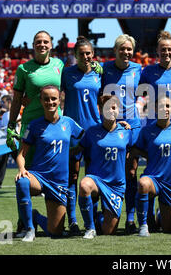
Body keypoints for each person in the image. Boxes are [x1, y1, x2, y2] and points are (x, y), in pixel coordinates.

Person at [8, 30, 64, 236]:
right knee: (25, 176)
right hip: (31, 127)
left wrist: (93, 67)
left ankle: (70, 220)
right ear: (33, 45)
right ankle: (25, 223)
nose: (42, 44)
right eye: (38, 42)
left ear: (51, 45)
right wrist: (11, 125)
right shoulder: (24, 69)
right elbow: (16, 99)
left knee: (61, 172)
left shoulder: (60, 65)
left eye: (45, 41)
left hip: (55, 129)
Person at [15, 85, 84, 242]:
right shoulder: (34, 125)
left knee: (55, 232)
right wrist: (21, 169)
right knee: (22, 182)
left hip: (59, 182)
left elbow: (88, 138)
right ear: (41, 101)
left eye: (54, 99)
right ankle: (29, 229)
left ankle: (35, 216)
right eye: (46, 99)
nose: (50, 102)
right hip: (39, 177)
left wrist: (117, 126)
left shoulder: (69, 123)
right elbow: (21, 154)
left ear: (59, 100)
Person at [138, 30, 171, 229]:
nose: (166, 53)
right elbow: (136, 94)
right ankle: (147, 216)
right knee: (152, 170)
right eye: (163, 50)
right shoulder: (148, 72)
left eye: (170, 50)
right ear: (157, 52)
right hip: (154, 129)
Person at [61, 35, 102, 234]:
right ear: (75, 55)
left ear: (93, 55)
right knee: (73, 177)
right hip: (73, 135)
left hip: (94, 133)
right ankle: (73, 221)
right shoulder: (66, 74)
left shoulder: (99, 74)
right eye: (81, 54)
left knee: (93, 177)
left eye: (88, 53)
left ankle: (92, 219)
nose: (85, 57)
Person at [101, 34, 142, 234]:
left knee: (131, 172)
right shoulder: (104, 69)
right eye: (122, 49)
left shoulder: (138, 69)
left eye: (129, 49)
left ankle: (131, 217)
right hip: (111, 125)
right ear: (115, 50)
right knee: (109, 171)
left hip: (132, 126)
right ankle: (104, 214)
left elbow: (146, 95)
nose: (126, 52)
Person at [76, 95, 132, 238]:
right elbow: (78, 150)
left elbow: (131, 153)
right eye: (107, 108)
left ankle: (99, 216)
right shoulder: (91, 132)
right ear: (100, 110)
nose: (111, 111)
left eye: (114, 108)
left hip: (116, 185)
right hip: (96, 180)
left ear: (118, 110)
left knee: (108, 232)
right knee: (84, 185)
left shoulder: (126, 132)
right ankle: (90, 228)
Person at [131, 95, 171, 236]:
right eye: (161, 106)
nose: (165, 109)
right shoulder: (147, 131)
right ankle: (143, 225)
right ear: (155, 109)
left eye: (168, 106)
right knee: (143, 183)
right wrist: (150, 156)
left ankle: (161, 215)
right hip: (153, 178)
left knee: (170, 229)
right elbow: (135, 149)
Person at [0, 95, 19, 190]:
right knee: (1, 162)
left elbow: (19, 124)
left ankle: (30, 181)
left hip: (14, 142)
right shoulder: (4, 115)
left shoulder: (15, 112)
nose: (2, 104)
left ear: (9, 102)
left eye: (4, 102)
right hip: (5, 143)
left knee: (21, 162)